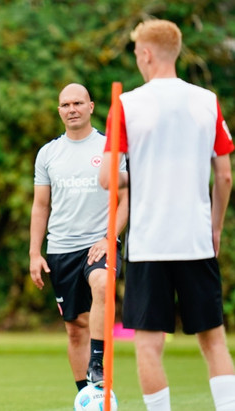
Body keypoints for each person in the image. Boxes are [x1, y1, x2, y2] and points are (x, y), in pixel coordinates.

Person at [100, 19, 235, 411]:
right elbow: (224, 175)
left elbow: (109, 179)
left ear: (145, 54)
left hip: (148, 243)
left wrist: (131, 172)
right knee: (213, 341)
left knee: (148, 344)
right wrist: (216, 228)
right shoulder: (207, 101)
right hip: (195, 239)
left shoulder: (125, 104)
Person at [29, 83, 128, 391]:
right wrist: (35, 253)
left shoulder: (109, 147)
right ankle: (87, 397)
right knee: (75, 329)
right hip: (61, 249)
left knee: (101, 283)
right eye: (65, 105)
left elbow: (126, 199)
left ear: (91, 106)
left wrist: (110, 237)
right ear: (59, 111)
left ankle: (97, 362)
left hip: (100, 244)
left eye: (77, 103)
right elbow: (40, 206)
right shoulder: (48, 153)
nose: (71, 109)